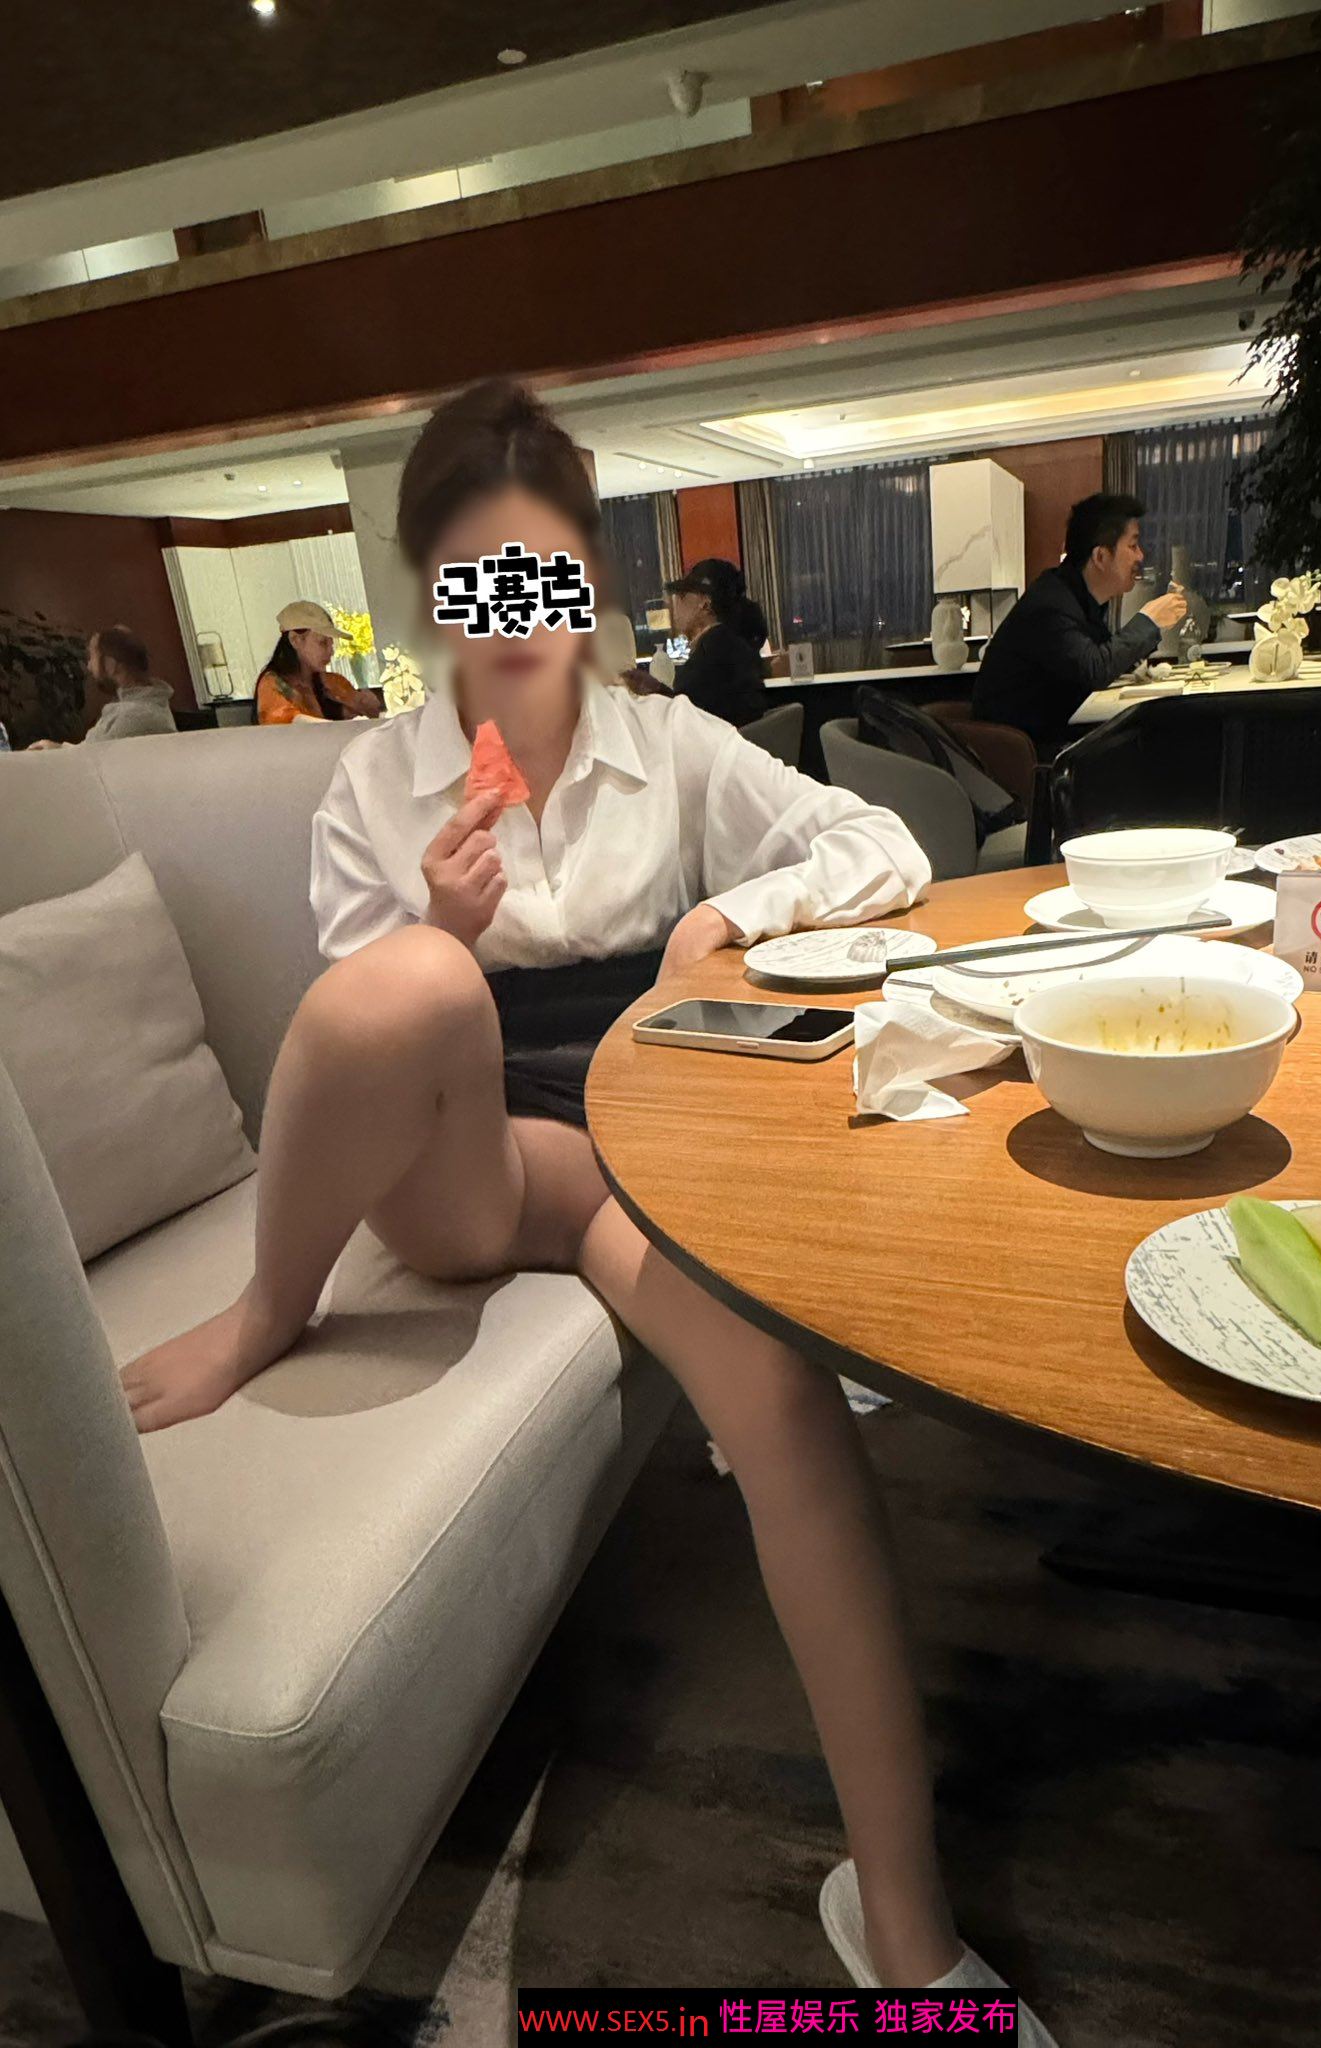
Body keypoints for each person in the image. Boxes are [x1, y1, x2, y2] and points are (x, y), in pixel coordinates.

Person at [118, 381, 1056, 2033]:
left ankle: (898, 1922)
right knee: (411, 981)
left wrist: (727, 915)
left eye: (540, 573)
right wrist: (439, 922)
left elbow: (875, 842)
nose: (514, 617)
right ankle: (270, 1305)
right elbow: (356, 1042)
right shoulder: (378, 776)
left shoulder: (666, 742)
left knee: (779, 1397)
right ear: (432, 594)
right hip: (458, 1150)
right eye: (475, 580)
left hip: (636, 1139)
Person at [970, 493, 1189, 751]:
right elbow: (1095, 669)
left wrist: (1151, 628)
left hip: (1055, 737)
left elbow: (1104, 659)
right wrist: (1149, 620)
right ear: (1100, 557)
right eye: (1132, 546)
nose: (1140, 556)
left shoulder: (1079, 598)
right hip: (1024, 752)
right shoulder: (1050, 604)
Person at [26, 625, 177, 749]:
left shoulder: (135, 716)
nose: (89, 666)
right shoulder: (143, 705)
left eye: (92, 657)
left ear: (111, 665)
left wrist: (56, 750)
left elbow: (92, 758)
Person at [662, 556, 770, 727]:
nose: (676, 605)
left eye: (682, 595)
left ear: (705, 604)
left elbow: (682, 722)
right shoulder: (735, 646)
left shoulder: (707, 658)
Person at [255, 601, 384, 725]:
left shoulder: (334, 682)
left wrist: (367, 705)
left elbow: (366, 714)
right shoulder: (272, 684)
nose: (331, 651)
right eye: (322, 643)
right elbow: (288, 722)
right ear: (295, 640)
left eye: (331, 644)